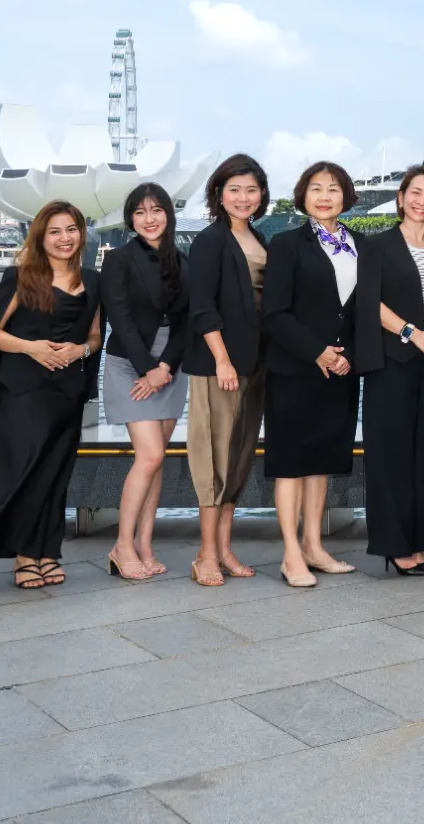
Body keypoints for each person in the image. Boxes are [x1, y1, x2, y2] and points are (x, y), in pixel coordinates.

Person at [0, 200, 102, 587]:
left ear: (81, 234)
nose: (64, 238)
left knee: (54, 475)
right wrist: (31, 347)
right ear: (41, 237)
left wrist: (79, 351)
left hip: (66, 394)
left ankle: (47, 551)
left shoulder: (93, 280)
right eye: (55, 231)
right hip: (22, 392)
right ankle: (23, 556)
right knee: (24, 473)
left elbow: (95, 338)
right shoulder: (21, 276)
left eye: (71, 229)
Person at [260, 161, 364, 588]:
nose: (325, 196)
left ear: (346, 196)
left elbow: (363, 311)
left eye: (333, 188)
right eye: (316, 188)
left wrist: (347, 355)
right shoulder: (286, 244)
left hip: (341, 372)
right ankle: (290, 554)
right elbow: (275, 313)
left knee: (321, 461)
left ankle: (314, 546)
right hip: (294, 369)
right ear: (303, 195)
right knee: (290, 463)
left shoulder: (360, 245)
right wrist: (318, 352)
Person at [355, 165, 424, 576]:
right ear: (401, 198)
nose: (422, 202)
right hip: (392, 362)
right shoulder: (377, 245)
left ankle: (417, 539)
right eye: (416, 193)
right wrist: (411, 333)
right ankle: (394, 545)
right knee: (390, 454)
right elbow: (369, 301)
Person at [182, 153, 272, 588]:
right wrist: (222, 360)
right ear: (219, 194)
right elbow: (201, 307)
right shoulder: (210, 240)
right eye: (234, 189)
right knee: (213, 458)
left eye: (251, 190)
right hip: (220, 366)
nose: (243, 197)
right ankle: (205, 554)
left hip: (255, 364)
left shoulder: (259, 236)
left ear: (262, 195)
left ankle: (224, 548)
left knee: (238, 457)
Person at [98, 182, 190, 582]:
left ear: (168, 214)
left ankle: (145, 545)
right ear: (130, 219)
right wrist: (148, 368)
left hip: (172, 366)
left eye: (156, 210)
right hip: (130, 363)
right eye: (139, 212)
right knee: (149, 456)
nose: (149, 219)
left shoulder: (183, 261)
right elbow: (119, 318)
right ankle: (122, 546)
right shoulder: (119, 259)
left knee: (156, 460)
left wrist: (166, 366)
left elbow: (188, 321)